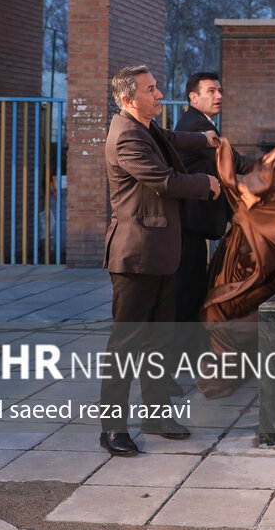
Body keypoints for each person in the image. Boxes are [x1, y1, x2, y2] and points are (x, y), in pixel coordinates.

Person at [100, 64, 221, 456]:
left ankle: (155, 415)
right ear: (127, 99)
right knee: (126, 345)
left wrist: (204, 137)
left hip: (162, 255)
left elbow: (171, 138)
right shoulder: (126, 138)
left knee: (158, 340)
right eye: (150, 90)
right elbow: (165, 182)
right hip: (135, 258)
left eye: (156, 88)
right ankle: (112, 429)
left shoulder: (147, 129)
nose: (158, 94)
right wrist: (207, 184)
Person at [170, 72, 252, 391]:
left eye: (220, 90)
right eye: (211, 91)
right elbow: (228, 162)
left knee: (191, 293)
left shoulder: (201, 122)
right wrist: (270, 165)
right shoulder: (195, 126)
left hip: (194, 225)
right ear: (193, 97)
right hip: (186, 225)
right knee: (184, 296)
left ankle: (187, 361)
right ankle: (166, 372)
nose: (218, 95)